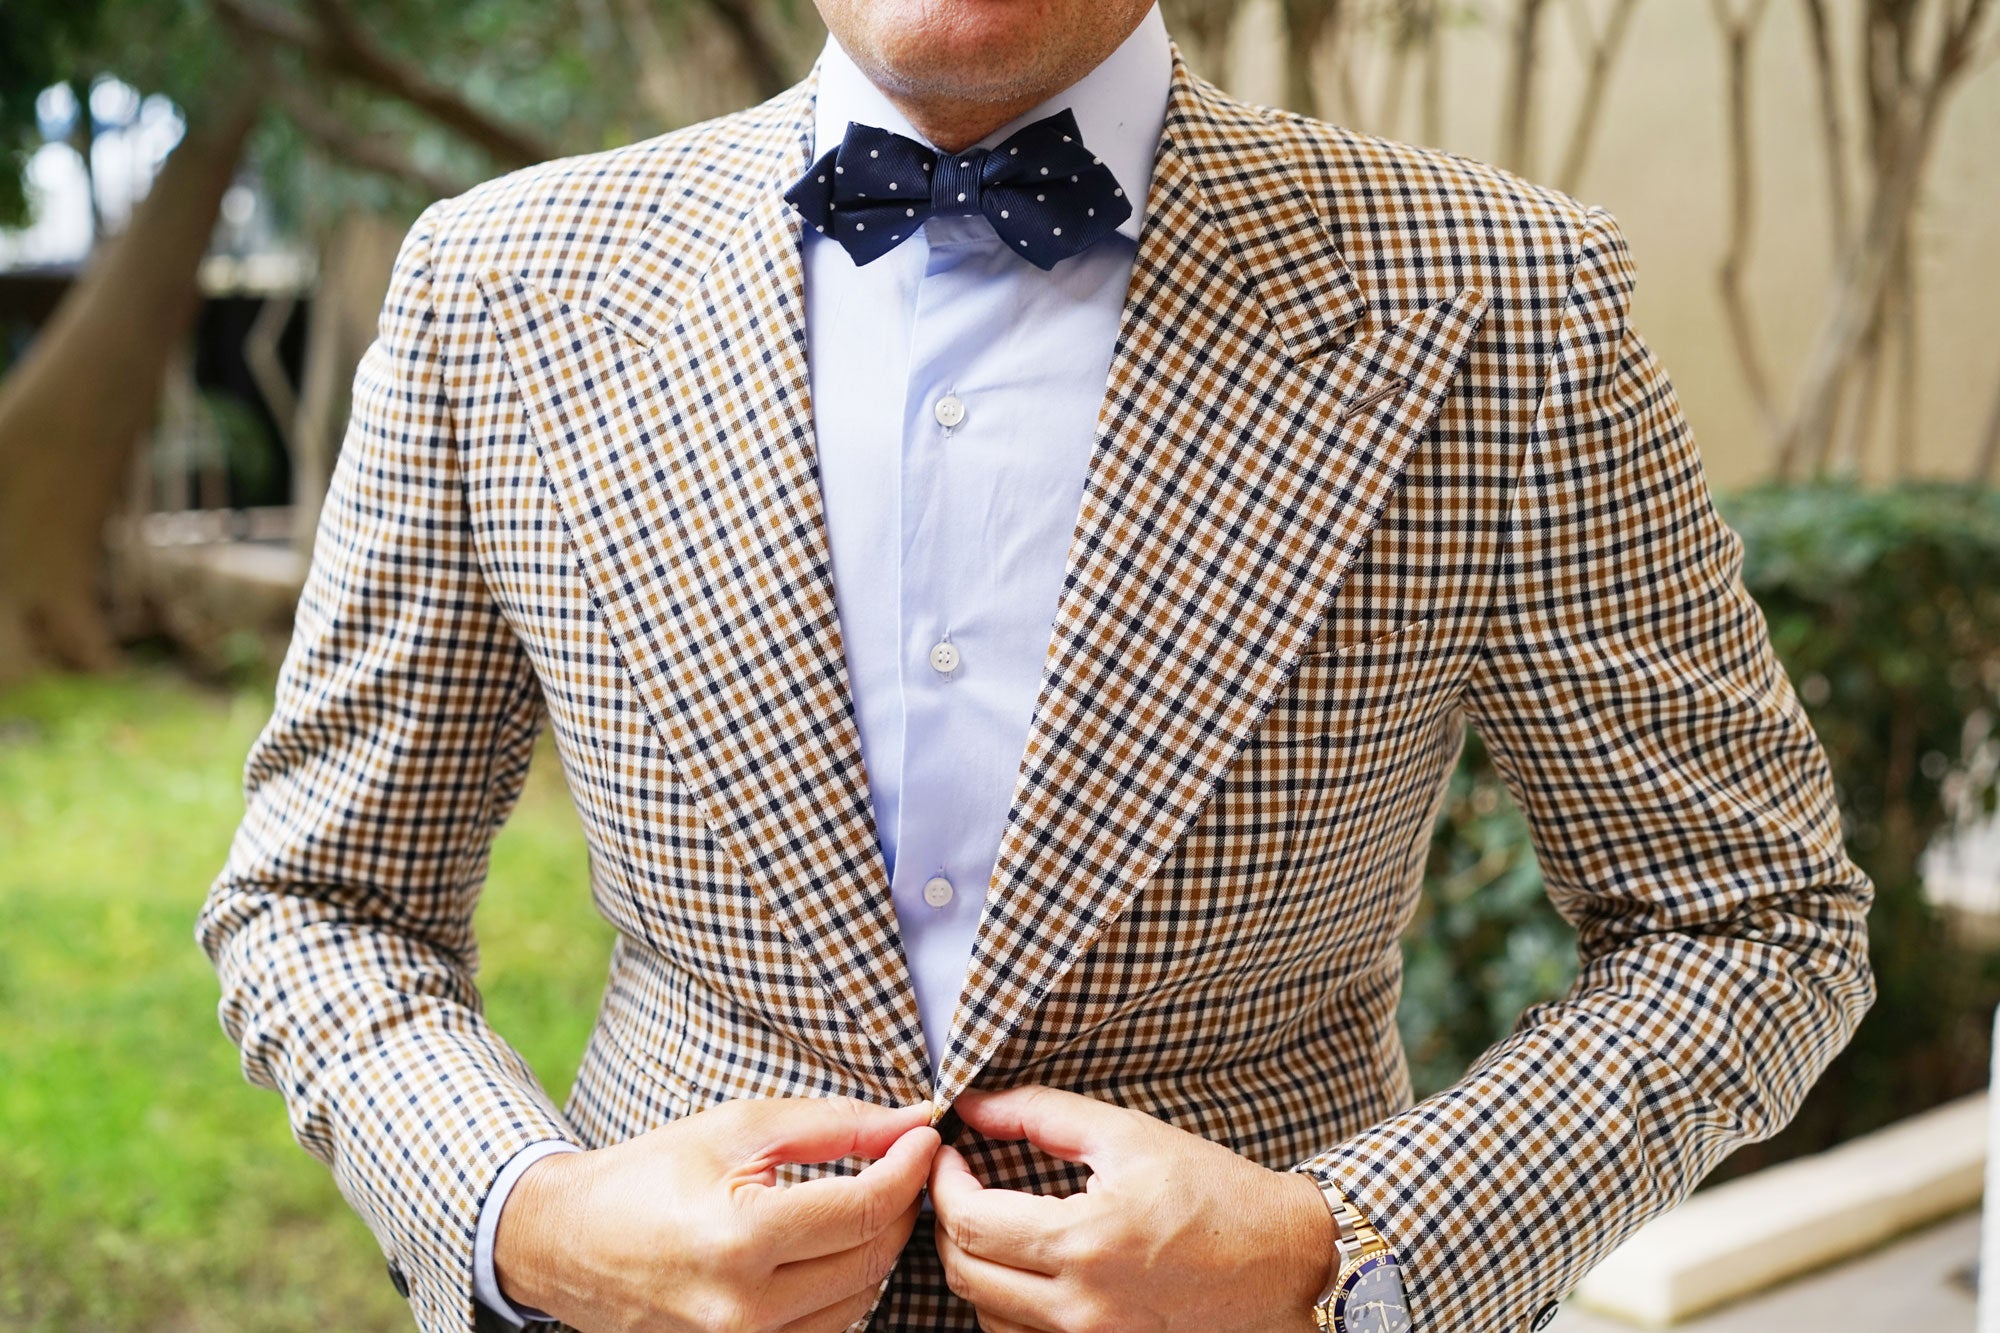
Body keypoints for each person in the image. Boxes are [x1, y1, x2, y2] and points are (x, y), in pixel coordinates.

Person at [197, 1, 1876, 1329]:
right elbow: (323, 903)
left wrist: (1341, 1250)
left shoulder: (1503, 301)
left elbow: (1751, 922)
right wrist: (533, 1220)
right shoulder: (501, 288)